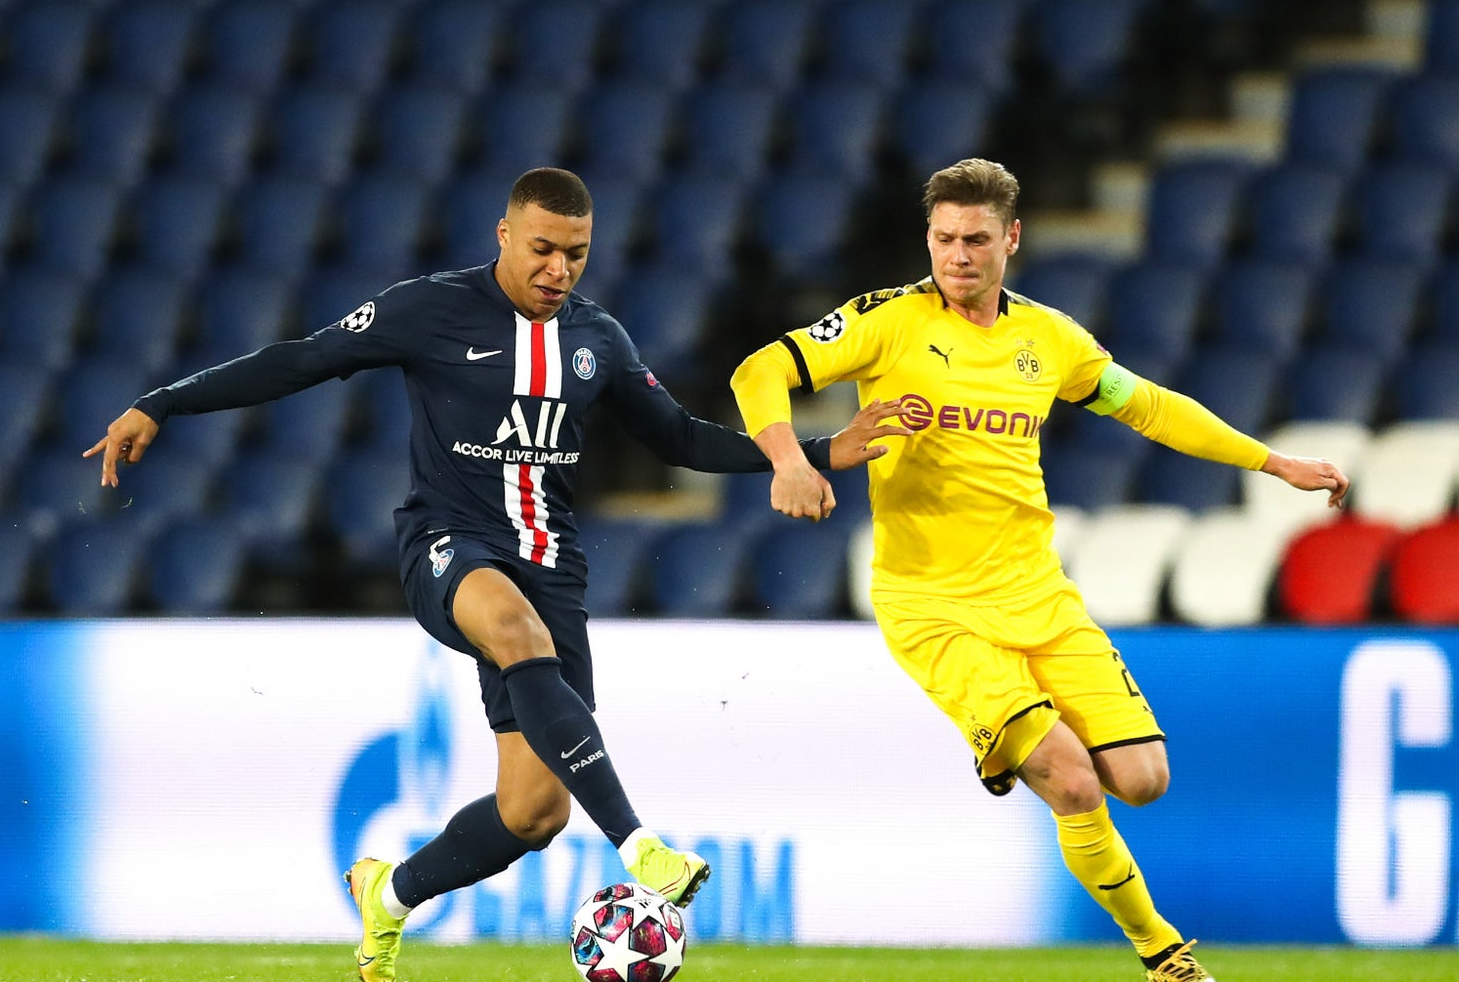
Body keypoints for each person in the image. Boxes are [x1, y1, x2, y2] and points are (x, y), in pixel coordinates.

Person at [86, 167, 909, 982]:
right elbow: (302, 359)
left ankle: (390, 893)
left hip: (552, 567)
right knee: (515, 628)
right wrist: (162, 401)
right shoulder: (431, 308)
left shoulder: (598, 340)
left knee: (533, 811)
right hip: (447, 543)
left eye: (576, 255)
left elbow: (681, 439)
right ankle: (641, 847)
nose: (558, 271)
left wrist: (812, 452)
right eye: (543, 249)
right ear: (504, 236)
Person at [729, 159, 1348, 982]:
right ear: (928, 237)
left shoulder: (1050, 338)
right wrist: (788, 461)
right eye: (944, 239)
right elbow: (758, 369)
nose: (958, 256)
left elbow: (1151, 406)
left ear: (1011, 239)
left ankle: (1018, 739)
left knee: (1143, 777)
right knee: (1072, 779)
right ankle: (1164, 955)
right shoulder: (886, 321)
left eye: (976, 240)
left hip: (1037, 594)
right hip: (933, 604)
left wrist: (1273, 463)